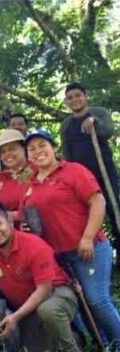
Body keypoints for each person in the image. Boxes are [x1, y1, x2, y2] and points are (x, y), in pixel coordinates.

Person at [22, 129, 120, 349]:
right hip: (59, 258)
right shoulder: (30, 186)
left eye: (42, 145)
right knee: (83, 304)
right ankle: (104, 348)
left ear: (53, 147)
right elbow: (26, 218)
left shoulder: (74, 171)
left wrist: (87, 237)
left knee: (97, 300)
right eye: (32, 149)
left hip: (90, 248)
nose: (38, 152)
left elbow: (98, 202)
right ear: (28, 157)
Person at [0, 201, 79, 352]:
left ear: (10, 221)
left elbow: (44, 290)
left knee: (48, 310)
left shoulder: (34, 245)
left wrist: (15, 317)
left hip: (56, 293)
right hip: (26, 306)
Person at [61, 82, 120, 251]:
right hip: (82, 179)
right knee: (87, 215)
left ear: (86, 97)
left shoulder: (99, 112)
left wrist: (94, 121)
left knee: (114, 208)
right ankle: (98, 251)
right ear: (67, 101)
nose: (74, 100)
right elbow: (67, 153)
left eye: (78, 95)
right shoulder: (66, 124)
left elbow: (108, 131)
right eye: (70, 98)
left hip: (104, 172)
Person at [0, 129, 32, 223]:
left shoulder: (35, 171)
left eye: (12, 149)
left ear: (24, 149)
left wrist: (14, 215)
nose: (7, 154)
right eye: (3, 152)